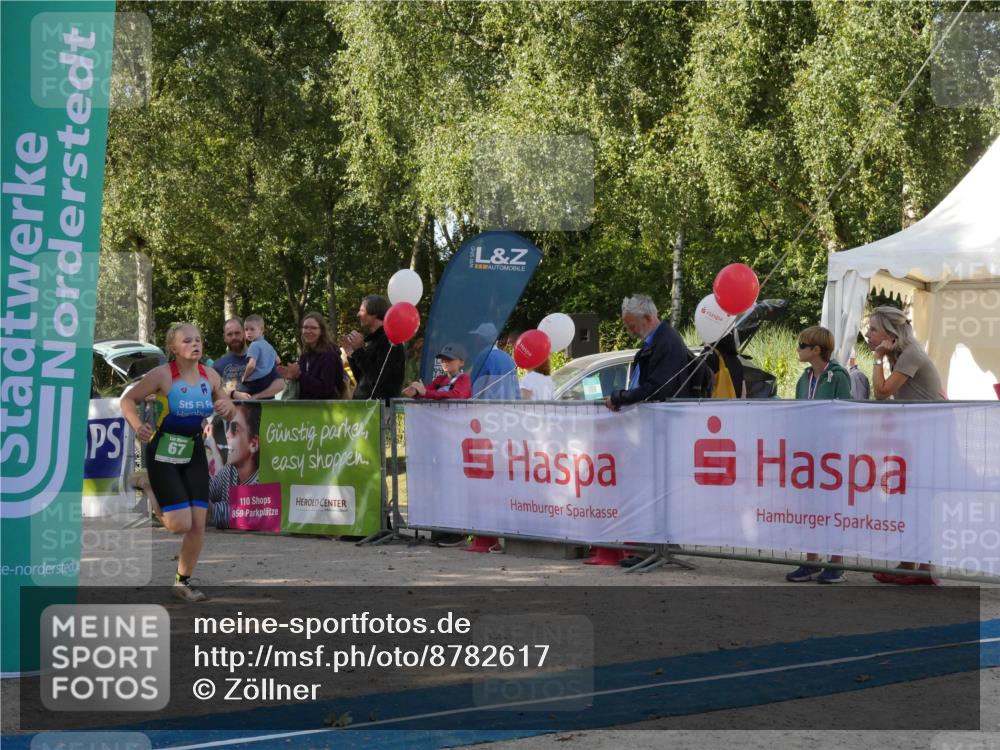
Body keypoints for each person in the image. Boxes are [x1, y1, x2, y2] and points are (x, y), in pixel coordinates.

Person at [120, 322, 235, 602]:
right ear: (173, 348)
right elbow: (127, 400)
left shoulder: (211, 376)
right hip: (162, 450)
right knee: (178, 525)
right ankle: (148, 485)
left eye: (198, 339)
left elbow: (227, 409)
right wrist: (138, 427)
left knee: (198, 522)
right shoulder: (161, 376)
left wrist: (227, 406)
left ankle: (182, 582)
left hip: (194, 450)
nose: (195, 344)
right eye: (187, 341)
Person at [866, 305, 944, 585]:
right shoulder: (903, 354)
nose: (869, 335)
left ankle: (920, 566)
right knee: (911, 500)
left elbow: (882, 392)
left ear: (890, 331)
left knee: (919, 500)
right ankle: (912, 564)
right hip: (920, 436)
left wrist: (877, 359)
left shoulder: (910, 353)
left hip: (931, 437)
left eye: (873, 329)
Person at [784, 326, 853, 584]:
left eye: (802, 345)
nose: (798, 349)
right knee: (808, 508)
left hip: (831, 456)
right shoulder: (804, 378)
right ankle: (810, 560)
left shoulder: (838, 376)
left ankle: (836, 562)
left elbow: (846, 414)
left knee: (832, 508)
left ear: (816, 350)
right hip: (807, 454)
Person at [605, 294, 692, 411]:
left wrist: (619, 398)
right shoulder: (654, 342)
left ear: (648, 318)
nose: (630, 332)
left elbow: (656, 389)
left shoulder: (667, 342)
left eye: (632, 326)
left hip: (666, 420)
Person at [340, 295, 406, 400]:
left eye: (361, 310)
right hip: (365, 408)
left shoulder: (390, 341)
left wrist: (359, 351)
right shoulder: (374, 340)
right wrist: (352, 355)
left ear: (374, 313)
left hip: (379, 410)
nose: (358, 314)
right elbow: (363, 379)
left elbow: (379, 381)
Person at [209, 401, 261, 529]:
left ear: (253, 444)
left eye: (234, 429)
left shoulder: (262, 482)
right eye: (228, 427)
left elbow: (210, 514)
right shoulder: (231, 469)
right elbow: (209, 489)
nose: (227, 434)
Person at [277, 312, 346, 400]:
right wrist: (290, 375)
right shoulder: (305, 355)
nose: (308, 331)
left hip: (326, 409)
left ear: (321, 331)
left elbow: (325, 389)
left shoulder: (329, 354)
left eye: (313, 328)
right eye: (305, 327)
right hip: (307, 409)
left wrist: (299, 376)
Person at [212, 317, 285, 400]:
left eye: (237, 333)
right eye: (229, 334)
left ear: (245, 333)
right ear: (224, 337)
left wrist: (256, 397)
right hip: (233, 412)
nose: (234, 337)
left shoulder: (263, 356)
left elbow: (280, 383)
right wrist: (233, 394)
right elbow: (213, 390)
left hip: (264, 411)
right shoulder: (218, 365)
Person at [469, 322, 520, 399]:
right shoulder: (508, 358)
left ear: (480, 339)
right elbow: (515, 390)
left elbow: (473, 389)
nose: (475, 340)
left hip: (486, 409)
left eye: (477, 337)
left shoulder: (483, 357)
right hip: (508, 408)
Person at [402, 343, 472, 400]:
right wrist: (415, 393)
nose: (445, 362)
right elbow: (425, 393)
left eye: (449, 359)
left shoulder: (464, 378)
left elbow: (457, 396)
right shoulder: (440, 379)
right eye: (442, 359)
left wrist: (425, 392)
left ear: (461, 363)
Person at [240, 314, 280, 397]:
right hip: (268, 381)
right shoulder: (269, 346)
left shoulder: (254, 345)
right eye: (246, 329)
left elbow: (251, 365)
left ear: (261, 330)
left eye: (252, 329)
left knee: (237, 390)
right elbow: (278, 360)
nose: (248, 332)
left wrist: (244, 377)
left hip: (255, 381)